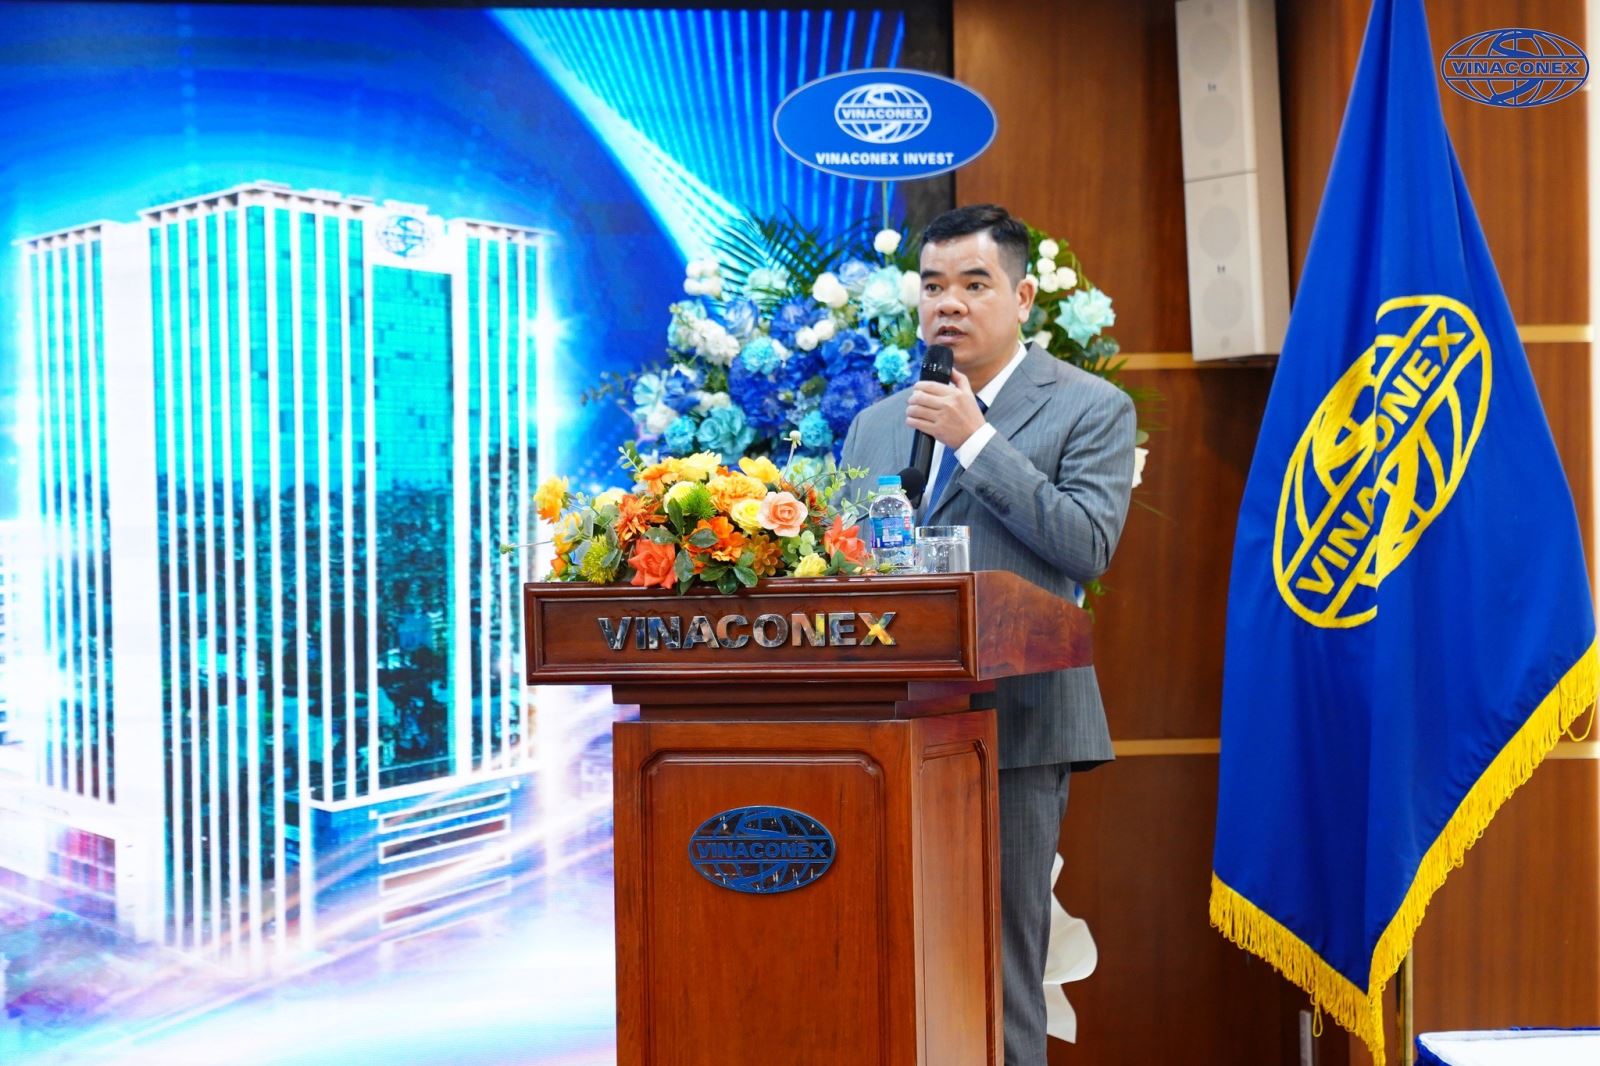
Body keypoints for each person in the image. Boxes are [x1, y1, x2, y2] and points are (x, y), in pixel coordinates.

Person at [840, 203, 1136, 1066]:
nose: (949, 304)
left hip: (1017, 723)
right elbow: (846, 564)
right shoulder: (877, 424)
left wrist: (977, 443)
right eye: (934, 286)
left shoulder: (1090, 408)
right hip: (887, 732)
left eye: (974, 284)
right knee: (892, 955)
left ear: (1023, 297)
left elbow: (1088, 544)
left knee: (1001, 965)